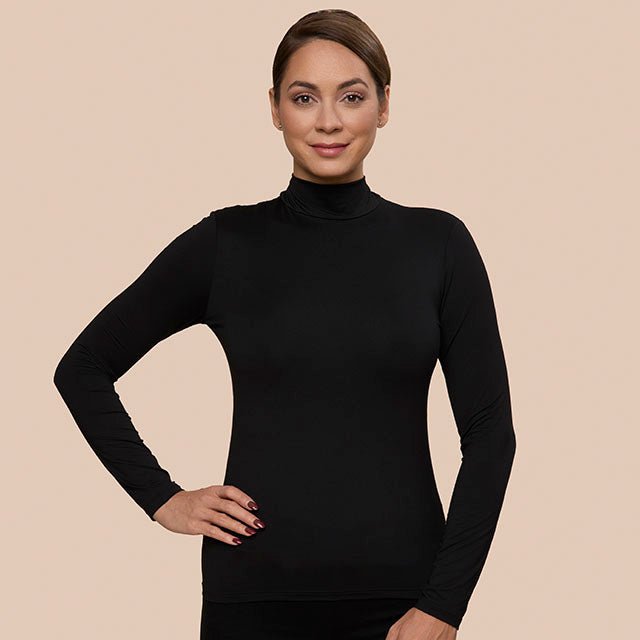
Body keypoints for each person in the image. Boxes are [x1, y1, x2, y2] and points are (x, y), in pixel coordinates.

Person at [53, 9, 516, 640]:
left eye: (351, 96)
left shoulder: (438, 245)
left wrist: (444, 605)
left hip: (404, 603)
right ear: (274, 108)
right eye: (304, 98)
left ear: (384, 105)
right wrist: (161, 497)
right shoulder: (227, 243)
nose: (328, 121)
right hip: (252, 599)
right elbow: (82, 369)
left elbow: (490, 436)